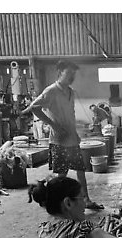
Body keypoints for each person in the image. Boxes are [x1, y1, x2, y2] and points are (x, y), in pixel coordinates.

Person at [25, 60, 103, 210]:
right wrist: (53, 125)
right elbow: (34, 108)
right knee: (61, 176)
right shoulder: (51, 91)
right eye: (69, 73)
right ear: (60, 73)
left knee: (81, 171)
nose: (71, 77)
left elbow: (71, 115)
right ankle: (48, 198)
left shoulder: (71, 92)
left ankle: (86, 200)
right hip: (59, 141)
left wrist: (75, 133)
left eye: (73, 74)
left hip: (72, 140)